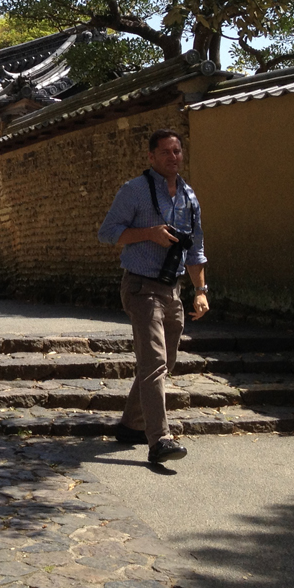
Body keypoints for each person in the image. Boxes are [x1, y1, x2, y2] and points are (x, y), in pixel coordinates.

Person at [98, 129, 209, 465]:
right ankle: (159, 439)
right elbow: (108, 233)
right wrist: (149, 234)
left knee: (166, 361)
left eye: (177, 151)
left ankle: (131, 424)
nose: (173, 157)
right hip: (141, 286)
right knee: (154, 362)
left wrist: (200, 291)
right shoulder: (134, 190)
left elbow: (196, 248)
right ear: (151, 156)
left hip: (172, 288)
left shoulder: (189, 196)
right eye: (165, 152)